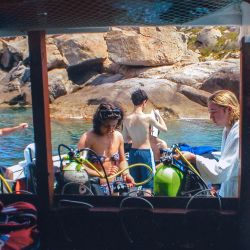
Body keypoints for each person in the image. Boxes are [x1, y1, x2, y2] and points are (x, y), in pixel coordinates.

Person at [175, 90, 239, 197]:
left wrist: (194, 158)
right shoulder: (227, 130)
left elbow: (222, 171)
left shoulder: (238, 133)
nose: (211, 117)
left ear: (228, 109)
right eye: (209, 112)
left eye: (214, 112)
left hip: (238, 197)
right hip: (228, 191)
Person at [77, 101, 135, 195]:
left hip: (116, 184)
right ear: (98, 123)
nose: (111, 129)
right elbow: (79, 166)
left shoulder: (118, 136)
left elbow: (122, 161)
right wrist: (101, 174)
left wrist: (126, 174)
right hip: (95, 185)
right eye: (106, 126)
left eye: (114, 125)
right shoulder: (88, 138)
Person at [123, 89, 168, 193]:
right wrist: (158, 115)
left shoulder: (126, 119)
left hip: (133, 153)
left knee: (132, 183)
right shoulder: (148, 117)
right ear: (144, 102)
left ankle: (132, 205)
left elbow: (126, 139)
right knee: (148, 185)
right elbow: (164, 129)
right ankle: (148, 207)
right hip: (145, 153)